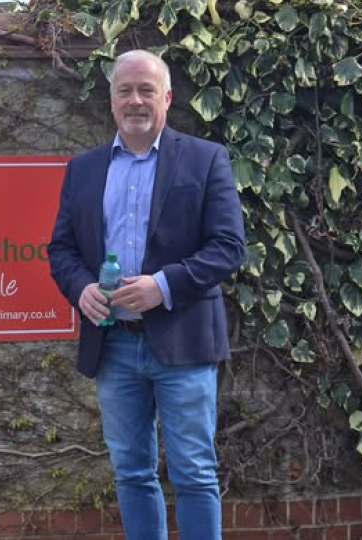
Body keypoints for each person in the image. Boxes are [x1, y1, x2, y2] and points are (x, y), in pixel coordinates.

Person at [48, 49, 245, 540]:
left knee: (194, 474)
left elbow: (228, 247)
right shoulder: (84, 169)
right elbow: (62, 249)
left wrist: (162, 286)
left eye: (146, 91)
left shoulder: (206, 159)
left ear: (167, 98)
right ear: (111, 99)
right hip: (112, 344)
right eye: (125, 91)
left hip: (183, 341)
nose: (135, 101)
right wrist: (81, 288)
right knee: (132, 473)